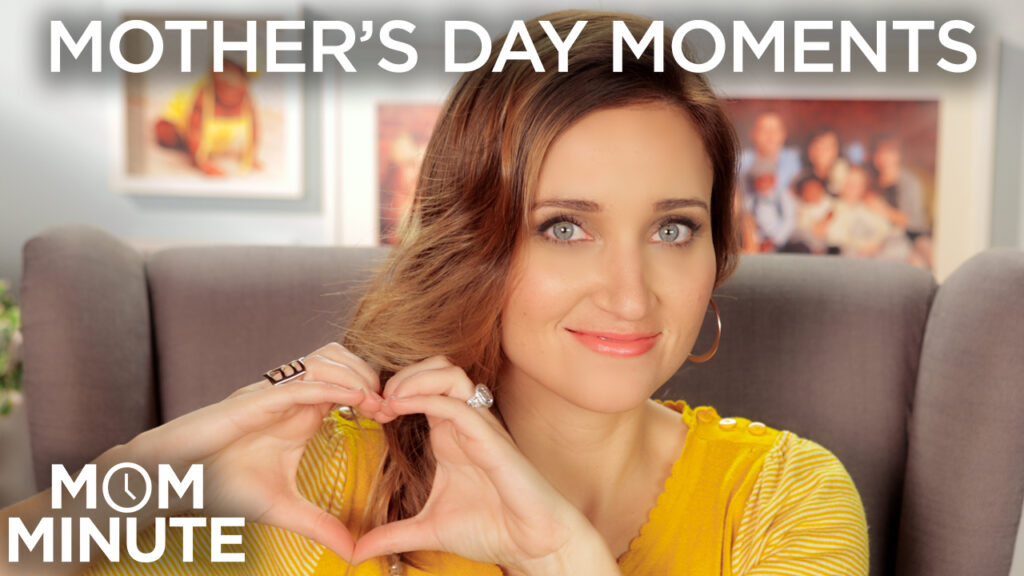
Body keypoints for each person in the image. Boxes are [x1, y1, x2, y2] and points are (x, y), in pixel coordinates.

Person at [2, 11, 868, 576]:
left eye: (673, 227)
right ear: (473, 243)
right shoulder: (340, 475)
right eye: (564, 226)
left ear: (717, 250)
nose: (632, 294)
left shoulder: (787, 497)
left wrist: (569, 560)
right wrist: (138, 480)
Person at [737, 111, 801, 251]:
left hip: (783, 233)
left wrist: (776, 239)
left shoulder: (794, 161)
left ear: (783, 134)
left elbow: (791, 213)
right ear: (753, 134)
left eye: (775, 130)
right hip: (751, 231)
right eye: (764, 130)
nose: (770, 136)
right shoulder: (740, 161)